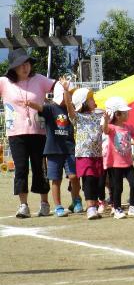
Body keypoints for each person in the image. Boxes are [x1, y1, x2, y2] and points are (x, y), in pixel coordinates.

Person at [0, 48, 55, 218]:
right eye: (21, 65)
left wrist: (64, 91)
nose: (25, 68)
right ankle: (23, 205)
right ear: (13, 68)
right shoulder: (4, 82)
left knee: (40, 168)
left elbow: (57, 86)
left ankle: (44, 203)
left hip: (39, 132)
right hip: (15, 133)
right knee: (21, 169)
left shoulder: (39, 80)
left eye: (27, 64)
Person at [24, 81, 82, 217]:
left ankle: (76, 201)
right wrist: (30, 103)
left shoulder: (71, 109)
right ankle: (58, 206)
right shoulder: (51, 108)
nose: (70, 97)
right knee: (56, 179)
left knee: (74, 176)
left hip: (69, 149)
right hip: (53, 150)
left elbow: (74, 114)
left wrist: (68, 94)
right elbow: (40, 108)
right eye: (68, 93)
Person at [61, 82, 105, 220]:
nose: (94, 101)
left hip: (98, 154)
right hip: (84, 154)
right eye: (91, 99)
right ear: (83, 103)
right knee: (88, 180)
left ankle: (95, 205)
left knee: (98, 181)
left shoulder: (98, 115)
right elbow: (69, 108)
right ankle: (90, 208)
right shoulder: (78, 118)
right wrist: (66, 91)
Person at [102, 97, 134, 219]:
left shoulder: (128, 127)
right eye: (125, 112)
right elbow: (105, 130)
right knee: (117, 187)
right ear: (117, 115)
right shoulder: (111, 127)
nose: (128, 114)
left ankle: (133, 206)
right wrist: (105, 120)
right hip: (115, 164)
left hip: (128, 163)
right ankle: (117, 208)